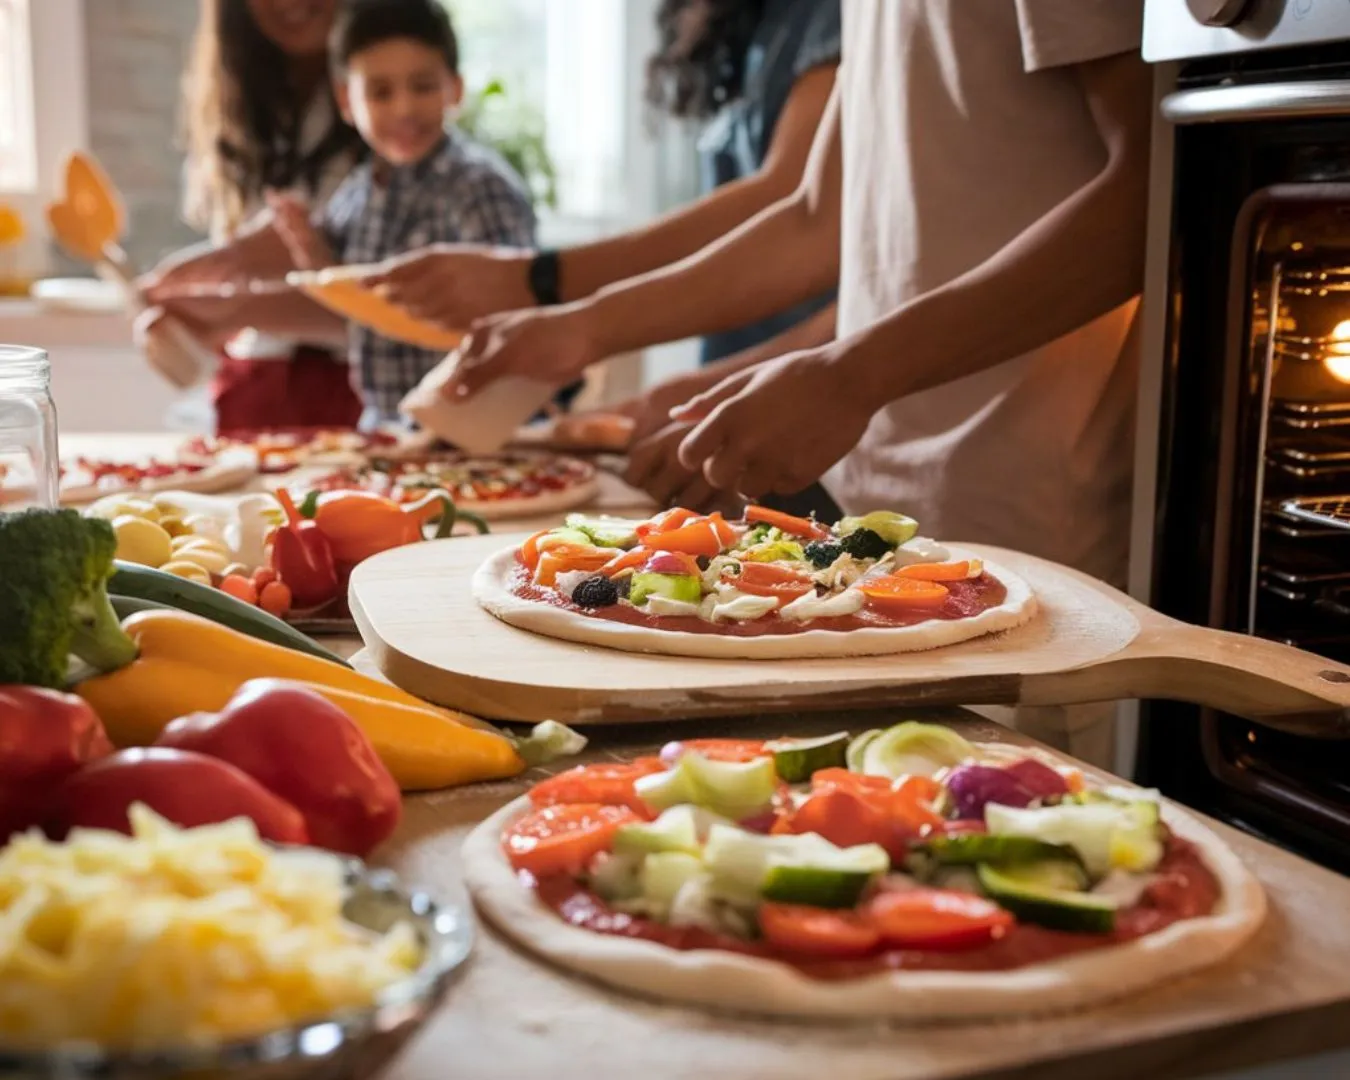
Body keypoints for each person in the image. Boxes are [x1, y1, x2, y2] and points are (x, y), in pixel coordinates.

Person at [432, 1, 1152, 765]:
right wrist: (581, 325)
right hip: (866, 523)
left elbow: (1152, 191)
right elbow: (815, 217)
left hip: (1037, 523)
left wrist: (851, 375)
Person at [358, 0, 841, 505]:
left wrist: (545, 287)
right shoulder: (758, 26)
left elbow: (804, 219)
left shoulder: (832, 17)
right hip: (756, 395)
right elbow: (804, 221)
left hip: (823, 423)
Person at [147, 0, 536, 429]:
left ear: (455, 90)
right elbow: (344, 293)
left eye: (423, 86)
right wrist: (307, 250)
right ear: (347, 102)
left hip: (468, 423)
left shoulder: (482, 188)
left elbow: (517, 315)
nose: (404, 109)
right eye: (380, 92)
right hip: (384, 426)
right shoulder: (359, 191)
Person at [139, 0, 367, 434]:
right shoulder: (237, 108)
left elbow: (381, 313)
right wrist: (195, 314)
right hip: (251, 391)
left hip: (353, 397)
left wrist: (234, 302)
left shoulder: (392, 116)